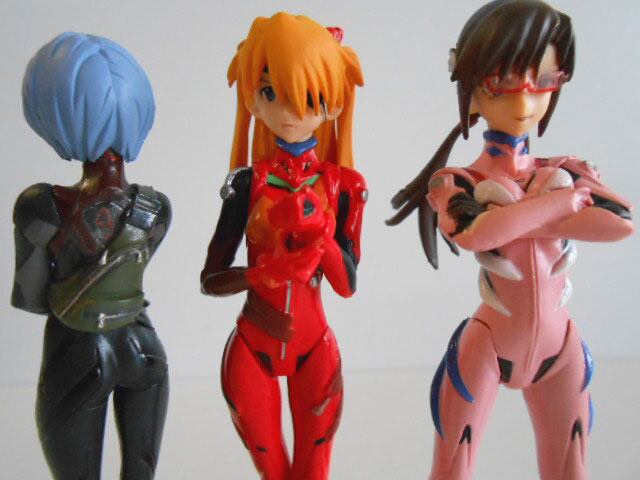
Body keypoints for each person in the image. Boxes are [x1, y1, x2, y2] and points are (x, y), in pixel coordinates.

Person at [387, 1, 633, 479]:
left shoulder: (561, 170)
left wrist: (516, 217)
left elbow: (621, 222)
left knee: (571, 466)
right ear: (473, 92)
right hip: (488, 346)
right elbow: (473, 233)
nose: (525, 101)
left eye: (543, 81)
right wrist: (561, 205)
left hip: (560, 346)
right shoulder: (456, 181)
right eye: (502, 84)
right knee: (454, 466)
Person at [201, 13, 366, 479]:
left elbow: (347, 285)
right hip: (253, 344)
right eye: (271, 92)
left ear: (332, 104)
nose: (290, 111)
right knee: (271, 467)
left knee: (315, 466)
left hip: (315, 347)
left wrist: (322, 240)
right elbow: (211, 279)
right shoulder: (246, 184)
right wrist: (261, 274)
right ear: (252, 98)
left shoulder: (343, 186)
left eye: (309, 97)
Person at [13, 32, 171, 480]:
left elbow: (32, 297)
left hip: (77, 351)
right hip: (143, 345)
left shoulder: (40, 206)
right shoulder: (156, 207)